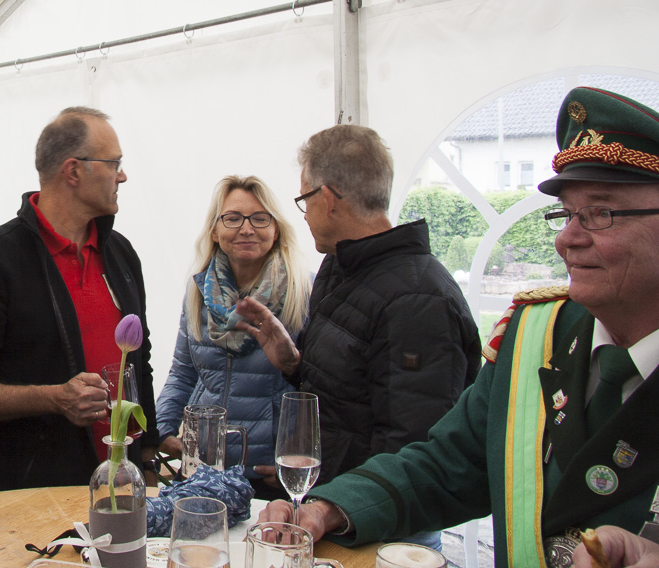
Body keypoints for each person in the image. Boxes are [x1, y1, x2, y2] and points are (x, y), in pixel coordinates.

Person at [256, 86, 659, 568]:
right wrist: (331, 507)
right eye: (567, 214)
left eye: (601, 213)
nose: (567, 239)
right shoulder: (535, 337)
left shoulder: (420, 296)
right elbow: (449, 462)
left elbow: (408, 427)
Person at [238, 123, 480, 549]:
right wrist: (294, 365)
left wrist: (331, 505)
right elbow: (351, 397)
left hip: (384, 532)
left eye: (304, 200)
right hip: (331, 513)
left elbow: (414, 450)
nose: (304, 215)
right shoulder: (340, 267)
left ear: (328, 198)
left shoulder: (420, 300)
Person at [0, 106, 160, 491]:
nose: (122, 175)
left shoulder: (120, 254)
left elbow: (140, 363)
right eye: (113, 163)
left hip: (122, 488)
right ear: (73, 171)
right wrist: (54, 398)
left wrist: (148, 457)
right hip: (36, 495)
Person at [154, 175, 311, 497]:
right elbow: (183, 373)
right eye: (233, 218)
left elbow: (317, 390)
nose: (246, 229)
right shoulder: (198, 292)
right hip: (204, 467)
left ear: (276, 229)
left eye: (260, 218)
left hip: (269, 473)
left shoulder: (305, 291)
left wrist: (298, 460)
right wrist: (161, 429)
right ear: (215, 230)